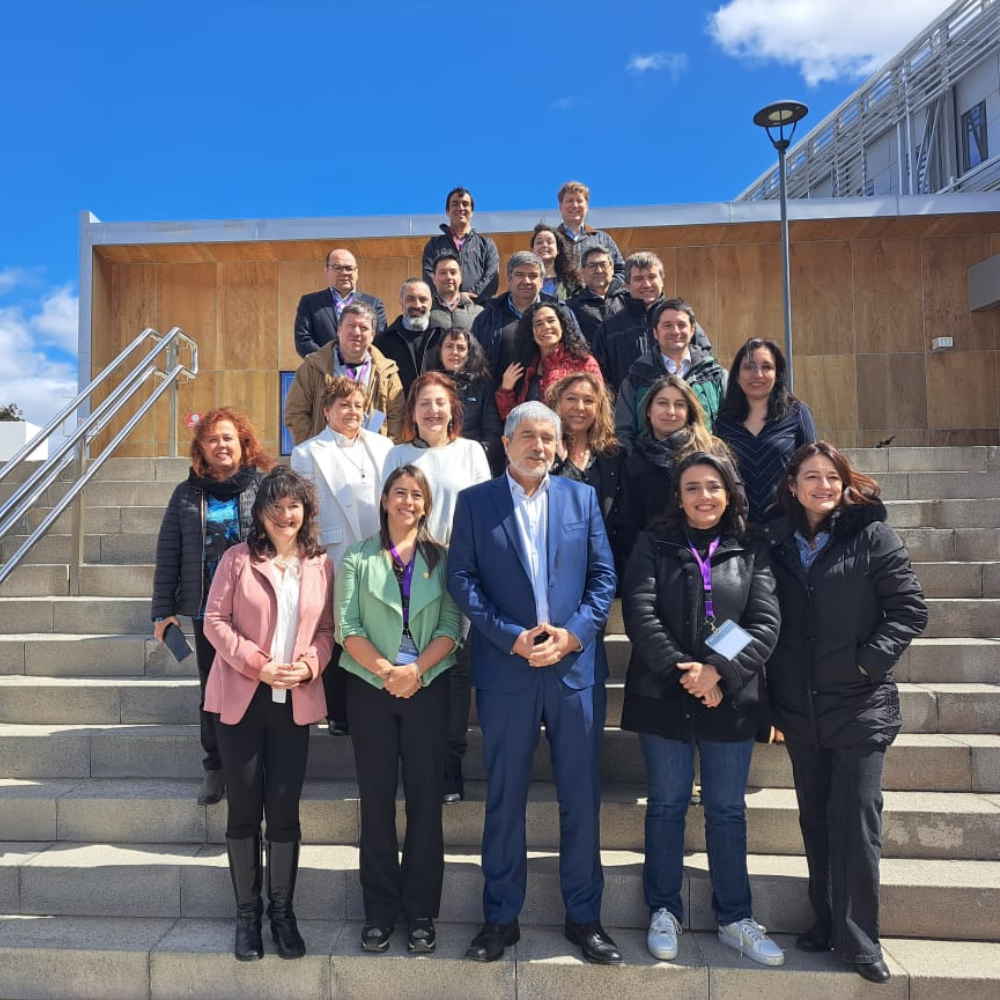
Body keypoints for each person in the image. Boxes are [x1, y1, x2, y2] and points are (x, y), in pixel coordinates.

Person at [448, 402, 621, 966]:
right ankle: (500, 918)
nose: (540, 446)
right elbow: (463, 580)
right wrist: (510, 637)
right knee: (504, 799)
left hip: (573, 673)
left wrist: (572, 636)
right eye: (529, 436)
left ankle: (585, 917)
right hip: (507, 672)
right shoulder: (475, 504)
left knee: (580, 797)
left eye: (549, 438)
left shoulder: (581, 498)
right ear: (505, 441)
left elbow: (603, 578)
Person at [763, 442, 927, 984]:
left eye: (831, 477)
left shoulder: (871, 535)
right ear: (792, 485)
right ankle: (826, 919)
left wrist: (866, 665)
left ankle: (859, 941)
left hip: (860, 705)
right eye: (811, 477)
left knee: (856, 821)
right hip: (799, 707)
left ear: (844, 482)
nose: (822, 487)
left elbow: (909, 609)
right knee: (815, 819)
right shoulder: (776, 540)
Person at [621, 451, 782, 966]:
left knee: (727, 811)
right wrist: (686, 673)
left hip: (729, 697)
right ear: (678, 495)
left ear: (729, 492)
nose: (703, 496)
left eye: (713, 486)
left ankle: (735, 917)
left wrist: (717, 671)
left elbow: (764, 622)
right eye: (692, 487)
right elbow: (641, 614)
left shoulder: (752, 545)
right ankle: (664, 909)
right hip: (665, 693)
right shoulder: (654, 543)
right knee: (667, 806)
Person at [203, 466, 335, 961]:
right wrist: (258, 666)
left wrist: (308, 665)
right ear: (260, 512)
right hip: (242, 699)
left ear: (307, 511)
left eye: (294, 505)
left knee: (283, 809)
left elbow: (327, 630)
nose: (286, 514)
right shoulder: (238, 559)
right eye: (276, 505)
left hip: (294, 702)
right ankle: (246, 917)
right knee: (243, 809)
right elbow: (214, 621)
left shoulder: (320, 564)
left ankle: (282, 913)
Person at [335, 465, 462, 953]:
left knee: (426, 804)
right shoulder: (357, 558)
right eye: (399, 493)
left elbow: (453, 624)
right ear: (384, 499)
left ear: (426, 505)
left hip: (427, 688)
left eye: (417, 495)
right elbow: (347, 626)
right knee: (377, 802)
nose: (408, 502)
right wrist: (389, 671)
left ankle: (423, 912)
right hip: (371, 687)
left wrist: (417, 672)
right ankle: (380, 911)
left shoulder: (441, 558)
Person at [152, 408, 271, 806]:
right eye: (212, 439)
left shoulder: (264, 487)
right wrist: (162, 610)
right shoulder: (186, 493)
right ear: (201, 448)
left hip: (258, 608)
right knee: (214, 692)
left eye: (228, 438)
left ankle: (261, 764)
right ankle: (216, 766)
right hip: (208, 611)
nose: (221, 445)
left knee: (260, 685)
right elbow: (169, 552)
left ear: (243, 444)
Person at [383, 372, 492, 801]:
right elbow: (388, 511)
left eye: (440, 403)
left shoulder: (471, 453)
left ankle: (450, 759)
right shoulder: (397, 455)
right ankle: (410, 756)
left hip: (459, 571)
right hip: (410, 571)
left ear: (453, 410)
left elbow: (483, 513)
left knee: (455, 667)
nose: (432, 410)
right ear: (412, 411)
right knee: (412, 657)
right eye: (424, 402)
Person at [290, 376, 395, 737]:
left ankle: (373, 699)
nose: (352, 411)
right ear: (327, 410)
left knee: (375, 623)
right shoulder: (308, 452)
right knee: (336, 628)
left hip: (379, 549)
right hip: (333, 551)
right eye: (344, 405)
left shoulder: (384, 446)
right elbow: (303, 510)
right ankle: (338, 711)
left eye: (357, 405)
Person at [617, 375, 735, 564]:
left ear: (689, 411)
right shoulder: (636, 461)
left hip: (712, 557)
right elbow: (628, 522)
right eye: (662, 403)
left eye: (679, 405)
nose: (670, 411)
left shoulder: (711, 449)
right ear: (648, 410)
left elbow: (738, 502)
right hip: (655, 561)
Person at [714, 338, 817, 524]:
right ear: (736, 375)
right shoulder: (721, 421)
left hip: (788, 526)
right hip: (737, 528)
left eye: (766, 367)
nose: (757, 374)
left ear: (777, 374)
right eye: (749, 367)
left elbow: (813, 468)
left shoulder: (798, 413)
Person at [284, 302, 405, 446]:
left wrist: (385, 452)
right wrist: (313, 448)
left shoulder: (387, 372)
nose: (357, 333)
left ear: (373, 334)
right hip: (326, 455)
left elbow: (397, 416)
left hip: (371, 457)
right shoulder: (313, 367)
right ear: (339, 329)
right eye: (351, 326)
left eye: (364, 328)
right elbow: (296, 412)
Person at [615, 298, 728, 447]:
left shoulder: (715, 375)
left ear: (692, 330)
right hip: (649, 465)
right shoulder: (637, 376)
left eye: (682, 325)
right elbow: (623, 431)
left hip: (702, 463)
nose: (675, 331)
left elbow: (731, 425)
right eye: (667, 325)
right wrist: (636, 464)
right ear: (655, 332)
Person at [592, 253, 711, 392]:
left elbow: (704, 361)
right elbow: (601, 380)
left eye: (652, 277)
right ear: (627, 286)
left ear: (662, 280)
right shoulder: (610, 329)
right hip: (629, 409)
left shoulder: (681, 320)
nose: (646, 284)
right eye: (638, 279)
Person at [471, 251, 584, 381]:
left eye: (533, 275)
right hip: (500, 395)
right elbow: (474, 363)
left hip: (550, 395)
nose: (526, 281)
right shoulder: (487, 317)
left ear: (541, 281)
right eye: (519, 275)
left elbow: (579, 353)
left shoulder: (561, 312)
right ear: (509, 279)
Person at [547, 372, 623, 562]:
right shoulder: (543, 454)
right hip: (557, 561)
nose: (579, 407)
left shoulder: (614, 455)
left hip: (605, 562)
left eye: (588, 401)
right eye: (571, 398)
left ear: (599, 408)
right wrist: (558, 462)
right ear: (557, 403)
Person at [495, 302, 602, 420]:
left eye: (551, 321)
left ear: (562, 326)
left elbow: (599, 406)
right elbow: (511, 418)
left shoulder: (584, 362)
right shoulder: (523, 367)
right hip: (533, 436)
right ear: (531, 333)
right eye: (539, 324)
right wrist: (506, 390)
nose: (546, 327)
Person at [428, 327, 504, 475]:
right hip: (434, 464)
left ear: (469, 353)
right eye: (449, 346)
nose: (454, 352)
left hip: (471, 466)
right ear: (440, 351)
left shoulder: (483, 387)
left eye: (461, 348)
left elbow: (493, 436)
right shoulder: (427, 385)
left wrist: (470, 459)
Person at [293, 248, 388, 358]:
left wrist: (357, 361)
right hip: (323, 370)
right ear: (326, 271)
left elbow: (380, 341)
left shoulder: (374, 304)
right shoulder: (310, 302)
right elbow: (303, 340)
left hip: (362, 372)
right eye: (337, 268)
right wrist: (330, 361)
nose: (344, 273)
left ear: (357, 272)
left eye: (349, 268)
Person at [421, 187, 500, 305]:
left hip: (479, 312)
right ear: (447, 211)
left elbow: (491, 278)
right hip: (443, 312)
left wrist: (466, 298)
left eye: (465, 204)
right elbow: (429, 276)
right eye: (455, 204)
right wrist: (452, 298)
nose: (461, 208)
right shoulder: (434, 245)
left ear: (472, 212)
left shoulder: (486, 245)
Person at [375, 278, 445, 396]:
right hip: (398, 411)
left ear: (431, 303)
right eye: (410, 299)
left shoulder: (443, 337)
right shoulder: (383, 341)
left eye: (423, 299)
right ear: (401, 302)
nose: (417, 305)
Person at [555, 181, 625, 290]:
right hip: (560, 305)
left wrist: (607, 292)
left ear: (586, 206)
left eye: (579, 201)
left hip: (598, 305)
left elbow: (622, 271)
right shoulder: (550, 241)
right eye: (569, 201)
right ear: (560, 206)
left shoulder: (603, 239)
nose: (575, 205)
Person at [566, 246, 627, 346]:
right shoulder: (573, 307)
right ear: (583, 272)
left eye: (603, 265)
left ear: (612, 269)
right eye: (592, 266)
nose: (598, 270)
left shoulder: (627, 298)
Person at [428, 250, 483, 332]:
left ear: (461, 277)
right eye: (443, 273)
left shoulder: (479, 312)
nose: (449, 277)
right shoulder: (426, 311)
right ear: (433, 278)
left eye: (453, 272)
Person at [530, 222, 583, 302]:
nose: (544, 245)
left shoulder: (572, 283)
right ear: (533, 250)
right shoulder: (526, 281)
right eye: (539, 242)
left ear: (558, 250)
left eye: (549, 242)